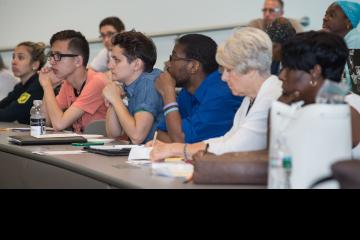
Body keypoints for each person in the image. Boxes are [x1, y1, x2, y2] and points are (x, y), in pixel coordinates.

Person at [149, 27, 283, 161]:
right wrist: (173, 148)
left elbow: (235, 147)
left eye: (229, 70)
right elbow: (226, 140)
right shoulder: (250, 99)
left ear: (252, 70)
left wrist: (175, 149)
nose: (223, 77)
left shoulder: (271, 97)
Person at [279, 31, 360, 158]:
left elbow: (280, 163)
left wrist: (277, 114)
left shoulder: (335, 115)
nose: (281, 76)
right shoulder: (313, 106)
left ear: (314, 72)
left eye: (289, 68)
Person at [155, 34, 243, 144]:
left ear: (193, 66)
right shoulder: (187, 92)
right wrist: (178, 139)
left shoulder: (221, 94)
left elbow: (179, 140)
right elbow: (159, 134)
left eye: (173, 58)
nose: (168, 64)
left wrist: (168, 92)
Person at [39, 30, 109, 133]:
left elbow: (59, 124)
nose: (52, 62)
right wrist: (50, 86)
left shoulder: (97, 82)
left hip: (110, 146)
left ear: (78, 61)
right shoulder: (68, 83)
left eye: (58, 56)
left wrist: (47, 85)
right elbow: (45, 121)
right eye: (52, 56)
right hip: (84, 145)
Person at [103, 30, 163, 144]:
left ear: (136, 64)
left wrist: (116, 100)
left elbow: (137, 136)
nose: (109, 65)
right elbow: (114, 134)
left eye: (117, 60)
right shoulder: (129, 84)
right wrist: (114, 96)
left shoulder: (148, 84)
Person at [0, 42, 46, 124]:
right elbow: (3, 105)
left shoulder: (38, 85)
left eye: (20, 58)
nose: (14, 62)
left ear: (35, 64)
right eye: (13, 57)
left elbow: (10, 114)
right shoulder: (20, 86)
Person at [323, 1, 360, 92]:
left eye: (331, 15)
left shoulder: (356, 40)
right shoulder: (333, 40)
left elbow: (353, 81)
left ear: (348, 22)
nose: (325, 18)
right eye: (326, 14)